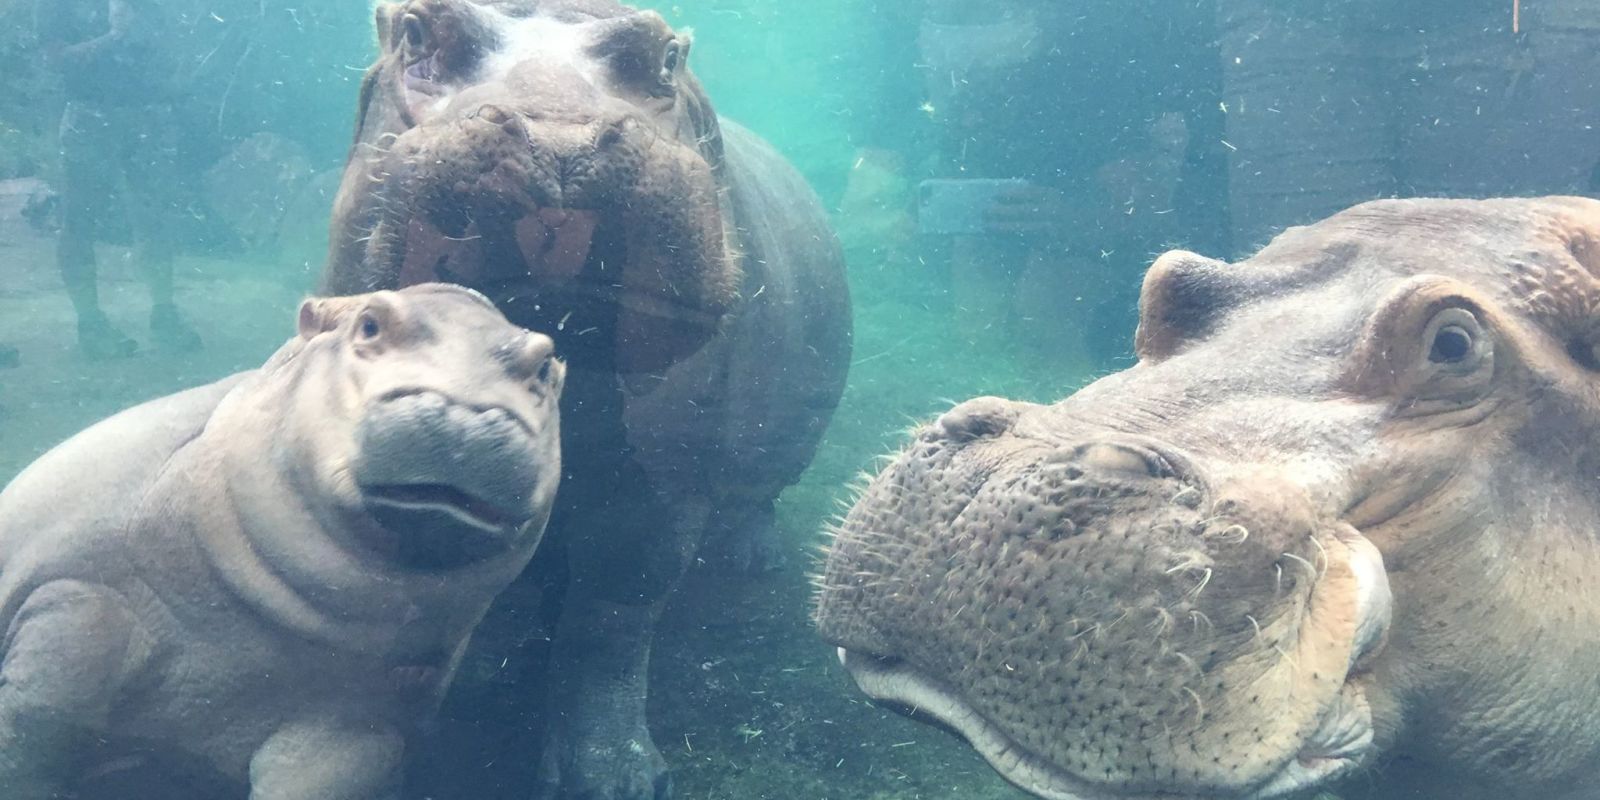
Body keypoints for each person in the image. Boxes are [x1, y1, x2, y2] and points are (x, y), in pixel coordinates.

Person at [35, 0, 201, 359]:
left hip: (146, 116)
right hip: (89, 117)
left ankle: (164, 313)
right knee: (79, 220)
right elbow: (55, 59)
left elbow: (169, 46)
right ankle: (91, 324)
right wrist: (114, 36)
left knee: (154, 218)